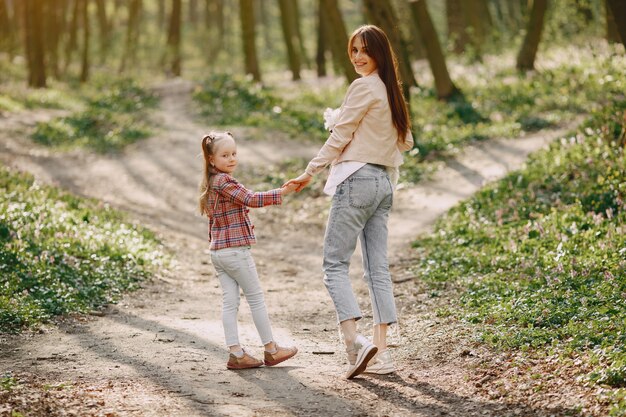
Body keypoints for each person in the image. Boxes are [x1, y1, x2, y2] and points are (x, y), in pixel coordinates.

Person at [284, 25, 414, 379]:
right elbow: (405, 142)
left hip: (357, 181)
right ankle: (382, 354)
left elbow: (341, 136)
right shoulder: (391, 92)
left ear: (379, 54)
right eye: (353, 50)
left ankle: (354, 343)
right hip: (384, 184)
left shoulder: (363, 87)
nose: (357, 57)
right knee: (377, 270)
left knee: (334, 264)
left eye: (364, 50)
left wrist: (310, 171)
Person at [198, 131, 299, 370]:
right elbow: (251, 199)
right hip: (234, 251)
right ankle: (271, 350)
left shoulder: (212, 182)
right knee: (255, 299)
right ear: (212, 160)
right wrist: (282, 192)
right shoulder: (224, 181)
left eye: (234, 153)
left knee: (230, 302)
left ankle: (236, 353)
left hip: (218, 252)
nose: (232, 159)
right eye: (225, 155)